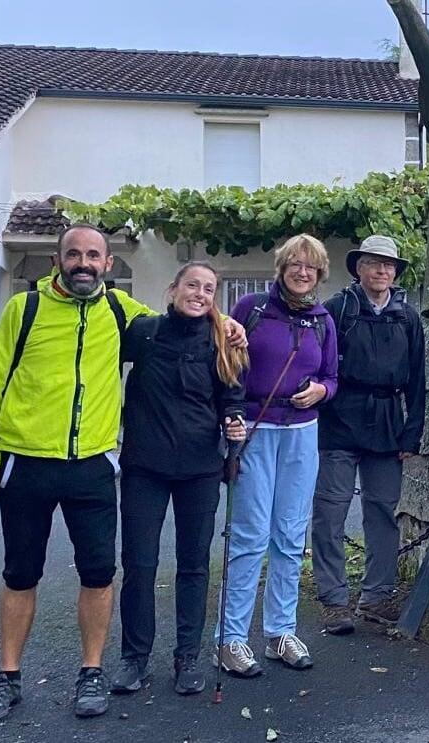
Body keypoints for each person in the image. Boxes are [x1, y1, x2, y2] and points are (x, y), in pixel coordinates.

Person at [0, 225, 156, 724]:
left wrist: (227, 324)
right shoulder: (24, 309)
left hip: (93, 465)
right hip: (25, 461)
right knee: (20, 573)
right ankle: (8, 677)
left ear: (107, 264)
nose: (83, 263)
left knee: (98, 574)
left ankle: (91, 671)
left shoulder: (121, 312)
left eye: (93, 255)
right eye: (73, 254)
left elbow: (181, 320)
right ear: (58, 260)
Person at [112, 262, 247, 696]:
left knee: (193, 565)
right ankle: (134, 658)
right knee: (139, 564)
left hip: (200, 468)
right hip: (144, 466)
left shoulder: (220, 339)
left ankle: (187, 656)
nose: (200, 294)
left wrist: (234, 421)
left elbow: (232, 395)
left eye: (209, 289)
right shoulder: (145, 333)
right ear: (173, 289)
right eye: (193, 285)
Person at [218, 235, 339, 677]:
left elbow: (331, 376)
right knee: (249, 535)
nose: (303, 272)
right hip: (255, 430)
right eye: (295, 264)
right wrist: (230, 416)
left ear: (319, 273)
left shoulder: (324, 320)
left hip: (302, 433)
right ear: (282, 268)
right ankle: (231, 638)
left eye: (311, 266)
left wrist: (323, 391)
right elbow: (225, 366)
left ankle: (280, 632)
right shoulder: (250, 310)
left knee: (290, 536)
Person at [313, 235, 426, 631]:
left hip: (388, 422)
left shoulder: (407, 316)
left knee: (382, 511)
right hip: (340, 418)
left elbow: (416, 380)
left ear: (395, 273)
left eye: (388, 265)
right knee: (330, 511)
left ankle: (377, 596)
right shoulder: (336, 310)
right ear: (358, 268)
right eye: (374, 263)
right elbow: (320, 368)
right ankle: (334, 600)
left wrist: (412, 434)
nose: (382, 271)